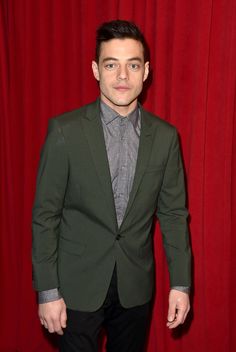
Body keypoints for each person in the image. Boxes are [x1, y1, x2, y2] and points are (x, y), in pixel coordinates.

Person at [32, 20, 191, 352]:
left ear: (146, 71)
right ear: (95, 70)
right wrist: (47, 292)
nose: (122, 76)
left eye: (132, 65)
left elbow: (174, 215)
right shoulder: (65, 131)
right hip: (75, 288)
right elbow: (46, 216)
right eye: (111, 64)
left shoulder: (165, 138)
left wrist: (180, 284)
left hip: (135, 290)